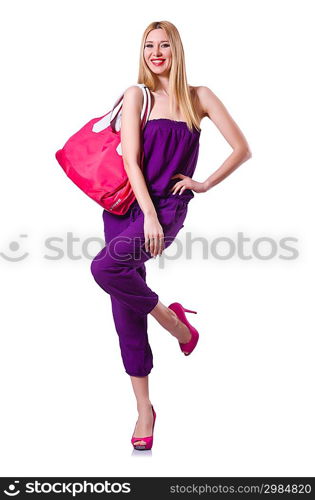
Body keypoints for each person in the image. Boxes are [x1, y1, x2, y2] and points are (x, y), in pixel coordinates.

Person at [90, 20, 252, 451]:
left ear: (176, 49)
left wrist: (203, 184)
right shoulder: (136, 96)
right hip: (128, 206)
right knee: (122, 299)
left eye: (163, 45)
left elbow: (242, 148)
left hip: (168, 207)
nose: (156, 53)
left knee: (104, 269)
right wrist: (145, 214)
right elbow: (131, 163)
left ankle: (175, 325)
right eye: (148, 46)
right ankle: (146, 405)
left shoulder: (198, 97)